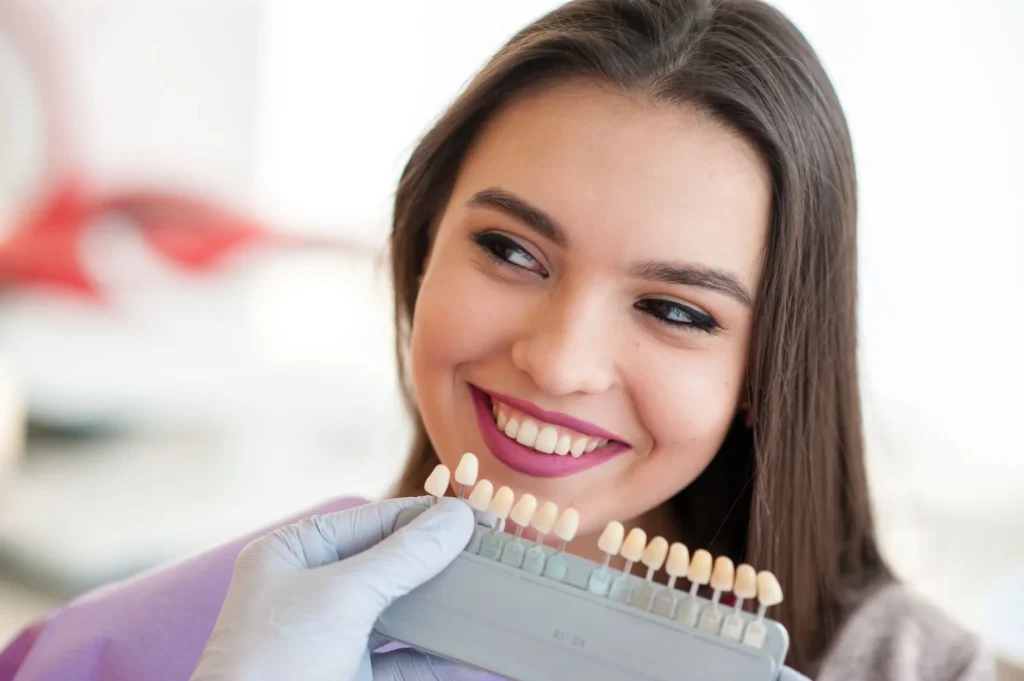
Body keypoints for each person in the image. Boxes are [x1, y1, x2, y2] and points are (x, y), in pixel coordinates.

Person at [0, 0, 994, 679]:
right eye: (512, 251)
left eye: (677, 311)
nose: (559, 361)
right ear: (422, 242)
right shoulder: (211, 630)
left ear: (767, 366)